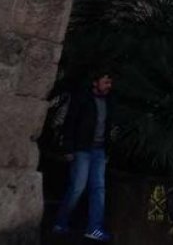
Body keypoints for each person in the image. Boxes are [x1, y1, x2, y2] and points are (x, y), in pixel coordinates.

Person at [52, 71, 115, 242]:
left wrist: (107, 150)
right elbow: (71, 123)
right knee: (77, 187)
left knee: (98, 189)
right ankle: (61, 221)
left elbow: (108, 126)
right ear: (95, 83)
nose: (109, 85)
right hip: (82, 149)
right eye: (105, 81)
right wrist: (68, 149)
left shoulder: (109, 102)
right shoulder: (83, 99)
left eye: (110, 82)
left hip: (99, 150)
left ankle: (94, 228)